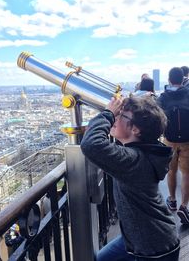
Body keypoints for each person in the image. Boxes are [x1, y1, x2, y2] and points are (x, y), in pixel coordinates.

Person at [81, 96, 180, 261]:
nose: (116, 118)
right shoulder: (142, 152)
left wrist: (108, 114)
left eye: (120, 116)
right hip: (141, 237)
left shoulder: (133, 159)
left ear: (136, 130)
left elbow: (91, 145)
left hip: (153, 248)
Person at [157, 67, 189, 224]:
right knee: (187, 174)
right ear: (183, 79)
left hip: (169, 140)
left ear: (169, 80)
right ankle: (184, 205)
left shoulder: (163, 97)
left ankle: (172, 200)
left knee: (171, 171)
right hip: (187, 140)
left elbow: (157, 116)